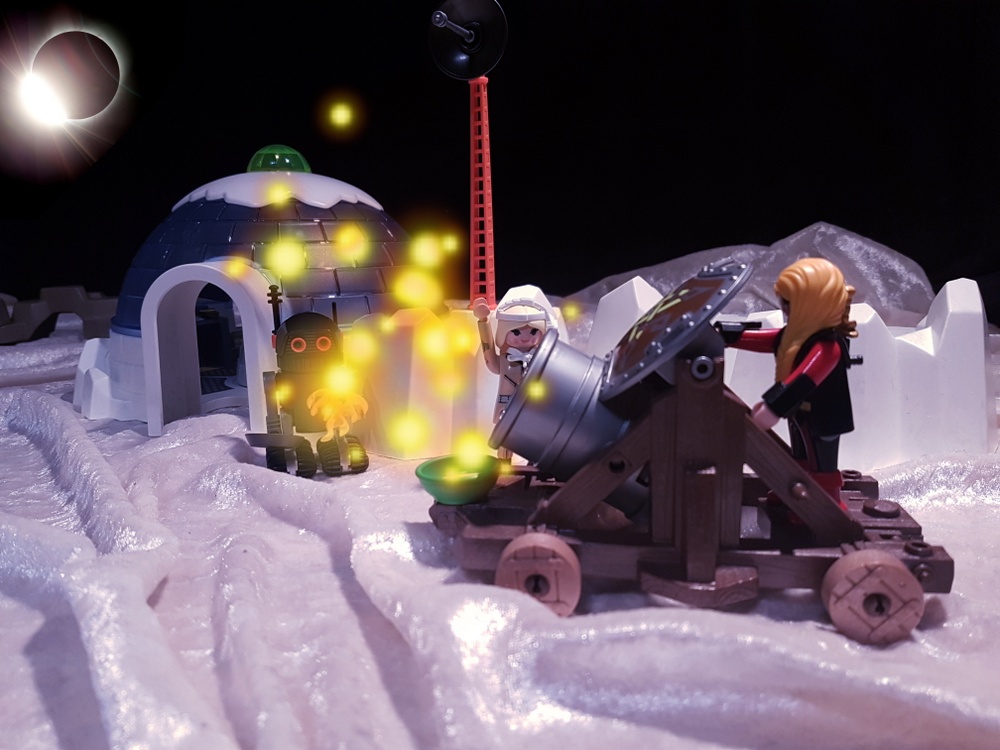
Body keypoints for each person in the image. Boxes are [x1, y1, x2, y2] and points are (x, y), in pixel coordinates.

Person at [722, 257, 858, 501]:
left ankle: (828, 503)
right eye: (783, 302)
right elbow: (766, 339)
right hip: (800, 412)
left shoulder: (828, 348)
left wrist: (773, 407)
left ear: (812, 305)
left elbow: (803, 379)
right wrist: (726, 336)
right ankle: (796, 495)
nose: (784, 308)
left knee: (822, 464)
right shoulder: (795, 336)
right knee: (799, 457)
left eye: (789, 303)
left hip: (823, 418)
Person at [472, 294, 551, 460]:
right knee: (506, 440)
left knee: (536, 437)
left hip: (533, 404)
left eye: (533, 331)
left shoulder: (541, 359)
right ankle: (504, 464)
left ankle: (535, 463)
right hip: (507, 405)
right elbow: (489, 356)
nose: (525, 338)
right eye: (516, 332)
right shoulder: (503, 361)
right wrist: (483, 321)